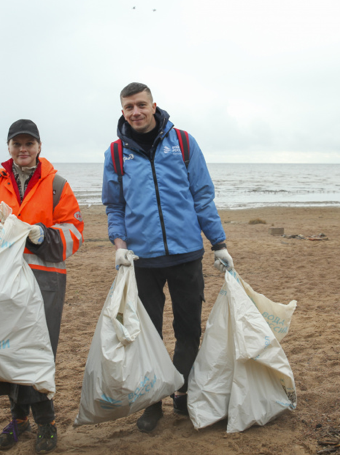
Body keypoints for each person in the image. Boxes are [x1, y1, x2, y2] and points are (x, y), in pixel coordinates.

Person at [101, 82, 233, 432]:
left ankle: (184, 393)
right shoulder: (115, 153)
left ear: (154, 105)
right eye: (129, 107)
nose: (136, 112)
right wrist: (119, 246)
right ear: (123, 111)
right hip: (142, 260)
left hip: (187, 254)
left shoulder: (184, 142)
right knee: (148, 335)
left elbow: (202, 196)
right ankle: (152, 401)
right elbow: (114, 205)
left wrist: (218, 243)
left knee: (188, 330)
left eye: (141, 105)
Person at [0, 119, 84, 452]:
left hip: (45, 280)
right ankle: (18, 419)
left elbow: (74, 233)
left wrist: (42, 234)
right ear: (9, 148)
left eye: (29, 143)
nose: (23, 149)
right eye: (17, 144)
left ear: (39, 147)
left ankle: (47, 422)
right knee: (6, 348)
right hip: (0, 278)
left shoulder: (57, 184)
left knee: (36, 351)